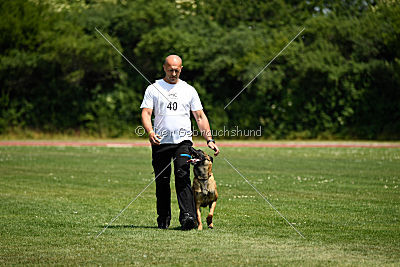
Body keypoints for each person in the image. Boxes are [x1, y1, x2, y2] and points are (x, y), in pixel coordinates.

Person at [140, 55, 220, 230]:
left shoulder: (189, 90)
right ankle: (163, 219)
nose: (173, 73)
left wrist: (209, 139)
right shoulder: (153, 88)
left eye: (177, 70)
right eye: (170, 69)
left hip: (183, 142)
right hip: (160, 142)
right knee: (162, 180)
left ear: (181, 69)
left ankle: (188, 217)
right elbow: (146, 113)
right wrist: (150, 131)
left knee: (182, 175)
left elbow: (199, 116)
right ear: (164, 68)